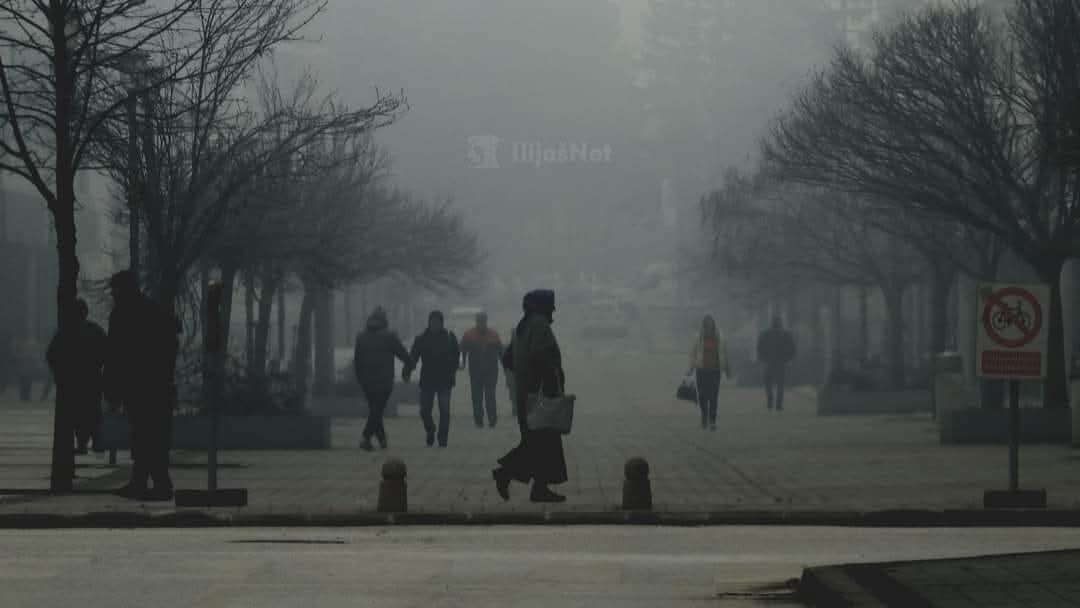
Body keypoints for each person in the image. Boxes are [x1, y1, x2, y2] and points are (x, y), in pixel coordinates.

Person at [104, 270, 180, 501]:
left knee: (143, 435)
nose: (113, 295)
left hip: (139, 387)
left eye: (115, 290)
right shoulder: (154, 311)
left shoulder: (122, 314)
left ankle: (154, 483)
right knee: (153, 435)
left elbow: (115, 354)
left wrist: (112, 387)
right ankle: (151, 482)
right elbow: (171, 345)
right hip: (158, 386)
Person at [492, 290, 568, 504]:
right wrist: (550, 384)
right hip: (540, 394)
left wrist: (523, 374)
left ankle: (540, 488)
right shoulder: (539, 325)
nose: (553, 309)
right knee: (540, 443)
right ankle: (505, 472)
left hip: (525, 394)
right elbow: (541, 356)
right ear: (542, 306)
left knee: (541, 443)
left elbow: (507, 359)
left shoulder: (522, 327)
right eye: (551, 305)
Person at [46, 300, 107, 454]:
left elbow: (52, 355)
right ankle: (97, 441)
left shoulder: (65, 331)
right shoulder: (95, 330)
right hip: (92, 378)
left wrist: (59, 372)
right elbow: (107, 353)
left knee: (76, 413)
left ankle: (82, 443)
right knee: (93, 410)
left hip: (71, 380)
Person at [353, 307, 411, 451]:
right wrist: (410, 364)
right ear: (384, 321)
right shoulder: (389, 336)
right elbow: (402, 354)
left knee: (375, 409)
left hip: (366, 381)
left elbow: (357, 361)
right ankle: (365, 437)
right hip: (384, 380)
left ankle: (382, 439)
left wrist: (360, 379)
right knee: (377, 410)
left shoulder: (361, 337)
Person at [409, 310, 460, 447]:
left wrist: (452, 370)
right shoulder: (421, 339)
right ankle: (430, 429)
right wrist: (408, 369)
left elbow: (456, 356)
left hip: (445, 380)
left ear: (441, 323)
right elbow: (413, 357)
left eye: (437, 322)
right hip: (427, 380)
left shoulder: (450, 337)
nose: (435, 324)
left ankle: (442, 439)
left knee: (445, 411)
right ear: (429, 322)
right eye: (432, 322)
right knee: (424, 410)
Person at [460, 311, 503, 429]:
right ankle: (478, 421)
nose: (481, 323)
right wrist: (462, 363)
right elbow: (462, 350)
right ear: (476, 321)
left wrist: (505, 365)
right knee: (476, 397)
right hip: (475, 372)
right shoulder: (469, 335)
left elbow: (501, 352)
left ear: (486, 321)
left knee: (490, 396)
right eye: (479, 321)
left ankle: (492, 420)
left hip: (491, 372)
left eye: (483, 321)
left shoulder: (494, 335)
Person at [689, 314, 731, 431]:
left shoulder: (720, 338)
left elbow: (725, 355)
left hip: (715, 371)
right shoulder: (698, 338)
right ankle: (704, 416)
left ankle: (712, 420)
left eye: (710, 323)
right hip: (701, 370)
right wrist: (692, 366)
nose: (708, 326)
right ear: (703, 325)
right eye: (706, 323)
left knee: (713, 396)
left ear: (713, 324)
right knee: (702, 396)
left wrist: (727, 369)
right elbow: (692, 354)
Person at [757, 316, 796, 411]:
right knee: (780, 384)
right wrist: (787, 359)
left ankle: (770, 401)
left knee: (768, 384)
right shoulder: (785, 335)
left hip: (768, 362)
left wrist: (763, 358)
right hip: (780, 363)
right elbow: (792, 349)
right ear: (780, 323)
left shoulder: (765, 334)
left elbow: (759, 347)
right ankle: (779, 404)